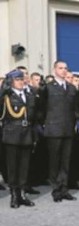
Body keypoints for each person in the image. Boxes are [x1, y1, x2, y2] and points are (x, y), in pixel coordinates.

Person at [39, 60, 79, 202]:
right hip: (53, 129)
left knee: (65, 161)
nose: (63, 71)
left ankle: (64, 188)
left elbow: (75, 109)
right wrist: (45, 124)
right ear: (54, 70)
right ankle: (56, 190)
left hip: (68, 129)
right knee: (54, 161)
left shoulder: (71, 88)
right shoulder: (48, 88)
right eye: (60, 68)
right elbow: (42, 108)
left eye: (65, 68)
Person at [1, 69, 37, 208]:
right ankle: (14, 195)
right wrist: (3, 90)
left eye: (22, 79)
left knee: (24, 166)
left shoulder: (29, 95)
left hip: (27, 133)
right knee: (12, 167)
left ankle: (22, 194)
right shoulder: (7, 97)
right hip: (12, 134)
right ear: (11, 82)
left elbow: (34, 116)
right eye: (17, 80)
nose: (21, 82)